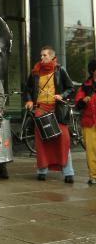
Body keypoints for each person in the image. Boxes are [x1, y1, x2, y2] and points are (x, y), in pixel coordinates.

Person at [24, 46, 75, 183]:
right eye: (41, 55)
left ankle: (68, 172)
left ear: (52, 57)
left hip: (56, 109)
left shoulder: (60, 69)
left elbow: (71, 88)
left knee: (63, 139)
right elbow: (28, 88)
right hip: (41, 108)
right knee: (41, 140)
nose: (42, 58)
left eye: (45, 55)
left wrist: (61, 95)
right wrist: (29, 100)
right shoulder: (35, 72)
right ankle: (42, 171)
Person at [74, 59, 96, 185]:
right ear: (93, 71)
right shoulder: (85, 86)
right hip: (89, 122)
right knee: (91, 150)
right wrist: (84, 101)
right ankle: (93, 175)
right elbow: (77, 104)